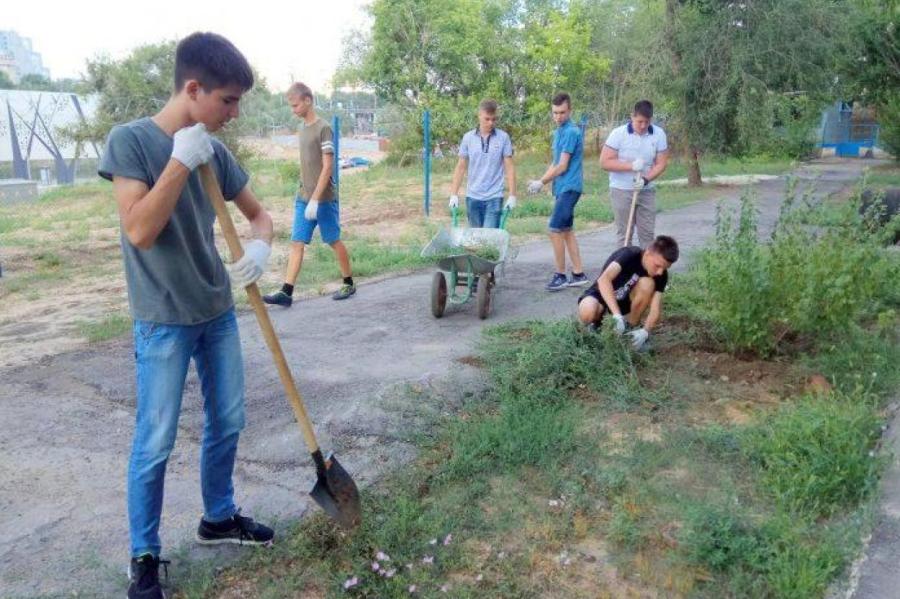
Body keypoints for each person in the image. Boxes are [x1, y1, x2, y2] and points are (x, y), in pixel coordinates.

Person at [98, 32, 276, 599]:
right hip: (163, 319)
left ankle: (218, 517)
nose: (234, 112)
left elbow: (260, 217)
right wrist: (179, 161)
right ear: (193, 89)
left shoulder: (216, 151)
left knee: (228, 421)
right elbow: (140, 230)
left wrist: (260, 250)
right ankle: (144, 555)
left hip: (216, 310)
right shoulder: (130, 142)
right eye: (227, 100)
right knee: (155, 440)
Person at [263, 82, 355, 307]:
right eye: (291, 106)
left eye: (295, 105)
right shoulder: (301, 129)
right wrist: (306, 194)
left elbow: (328, 166)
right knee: (297, 242)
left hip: (323, 200)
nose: (293, 109)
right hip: (302, 198)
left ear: (308, 100)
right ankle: (287, 292)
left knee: (333, 240)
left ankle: (349, 282)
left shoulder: (323, 128)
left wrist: (316, 198)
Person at [527, 93, 589, 291]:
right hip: (562, 188)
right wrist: (541, 182)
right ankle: (578, 274)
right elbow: (555, 163)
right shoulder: (559, 132)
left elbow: (562, 166)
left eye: (562, 112)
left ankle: (560, 275)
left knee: (554, 229)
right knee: (566, 231)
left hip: (570, 187)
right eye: (555, 113)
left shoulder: (571, 131)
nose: (558, 116)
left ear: (570, 111)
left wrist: (542, 182)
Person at [576, 235, 679, 351]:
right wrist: (616, 315)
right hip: (601, 296)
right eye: (657, 265)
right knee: (587, 311)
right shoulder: (629, 254)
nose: (660, 272)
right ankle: (592, 330)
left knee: (647, 284)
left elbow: (655, 309)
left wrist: (645, 331)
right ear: (648, 253)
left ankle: (629, 332)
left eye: (665, 268)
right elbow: (603, 280)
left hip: (624, 305)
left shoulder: (661, 275)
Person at [600, 100, 670, 247]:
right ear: (632, 116)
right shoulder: (618, 134)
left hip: (646, 190)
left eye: (647, 121)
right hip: (621, 190)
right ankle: (624, 268)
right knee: (624, 234)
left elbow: (661, 163)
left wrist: (646, 179)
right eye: (640, 121)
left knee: (647, 235)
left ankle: (647, 270)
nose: (643, 125)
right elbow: (605, 162)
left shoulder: (659, 134)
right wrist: (630, 166)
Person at [448, 98, 517, 227]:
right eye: (487, 119)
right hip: (473, 196)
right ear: (479, 115)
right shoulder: (468, 138)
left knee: (489, 239)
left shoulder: (503, 138)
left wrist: (513, 195)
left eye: (494, 119)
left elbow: (509, 167)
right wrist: (454, 194)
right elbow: (461, 167)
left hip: (494, 196)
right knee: (476, 240)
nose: (491, 123)